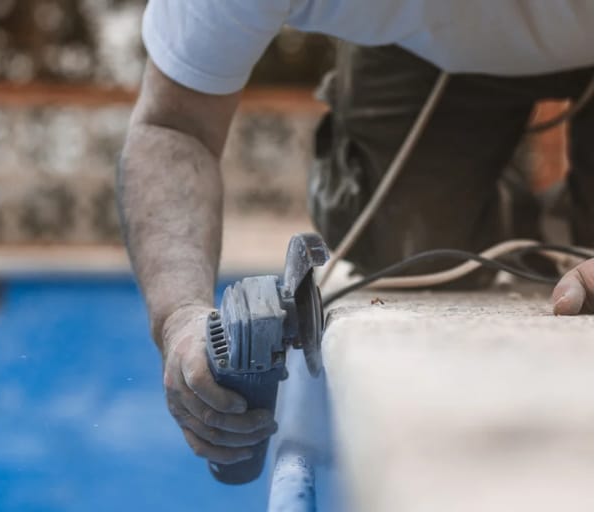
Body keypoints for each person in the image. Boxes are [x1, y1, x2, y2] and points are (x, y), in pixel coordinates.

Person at [117, 0, 594, 466]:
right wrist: (179, 316)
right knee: (408, 242)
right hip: (430, 50)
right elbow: (175, 125)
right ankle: (538, 218)